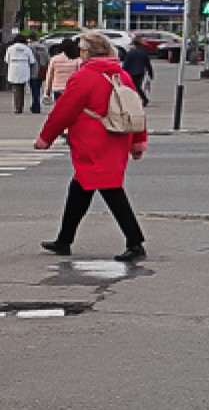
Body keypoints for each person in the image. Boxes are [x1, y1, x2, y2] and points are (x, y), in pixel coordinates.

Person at [35, 32, 148, 262]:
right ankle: (64, 240)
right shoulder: (122, 75)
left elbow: (63, 111)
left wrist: (46, 137)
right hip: (117, 138)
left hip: (94, 142)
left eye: (82, 51)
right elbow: (136, 111)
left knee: (110, 190)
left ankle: (135, 242)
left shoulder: (84, 77)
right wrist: (138, 141)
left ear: (87, 53)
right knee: (80, 189)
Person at [44, 37, 82, 105]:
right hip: (71, 88)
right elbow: (80, 75)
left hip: (57, 88)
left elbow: (49, 76)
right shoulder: (77, 60)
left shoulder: (54, 59)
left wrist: (47, 90)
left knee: (59, 107)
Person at [7, 33, 35, 114]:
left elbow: (6, 60)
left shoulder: (10, 48)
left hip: (14, 68)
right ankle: (20, 106)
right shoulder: (27, 49)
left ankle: (17, 107)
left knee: (16, 89)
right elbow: (32, 61)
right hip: (24, 69)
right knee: (22, 88)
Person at [122, 40, 153, 107]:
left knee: (135, 87)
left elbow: (126, 64)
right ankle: (140, 99)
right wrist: (151, 73)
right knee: (137, 86)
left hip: (131, 72)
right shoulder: (143, 52)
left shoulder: (130, 53)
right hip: (141, 72)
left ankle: (143, 99)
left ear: (134, 45)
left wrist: (122, 72)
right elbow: (148, 64)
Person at [28, 35, 48, 113]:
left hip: (32, 71)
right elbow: (48, 59)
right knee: (38, 89)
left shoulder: (30, 48)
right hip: (41, 71)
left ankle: (36, 106)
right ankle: (35, 105)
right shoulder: (44, 48)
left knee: (34, 90)